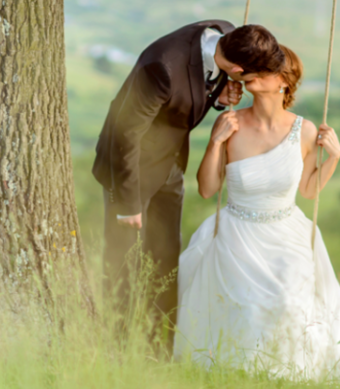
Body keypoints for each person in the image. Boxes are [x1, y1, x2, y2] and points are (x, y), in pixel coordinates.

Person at [173, 44, 340, 385]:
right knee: (245, 306)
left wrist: (334, 159)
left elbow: (309, 191)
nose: (250, 74)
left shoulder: (305, 130)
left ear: (283, 80)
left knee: (287, 301)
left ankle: (288, 374)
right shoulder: (231, 123)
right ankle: (240, 375)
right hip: (237, 232)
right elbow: (207, 189)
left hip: (287, 232)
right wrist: (215, 143)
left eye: (262, 69)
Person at [93, 21, 284, 354]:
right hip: (129, 171)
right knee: (123, 262)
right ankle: (116, 347)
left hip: (170, 164)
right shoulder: (161, 68)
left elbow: (198, 90)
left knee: (166, 258)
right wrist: (128, 202)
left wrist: (218, 96)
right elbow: (126, 135)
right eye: (249, 79)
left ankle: (161, 349)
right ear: (238, 69)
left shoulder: (225, 33)